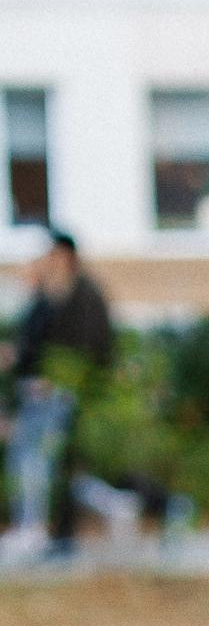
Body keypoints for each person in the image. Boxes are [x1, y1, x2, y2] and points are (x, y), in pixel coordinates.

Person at [3, 232, 113, 561]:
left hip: (56, 393)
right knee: (39, 461)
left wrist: (56, 378)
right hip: (41, 391)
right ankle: (47, 529)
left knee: (38, 461)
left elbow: (85, 346)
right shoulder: (52, 295)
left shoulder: (81, 294)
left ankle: (37, 529)